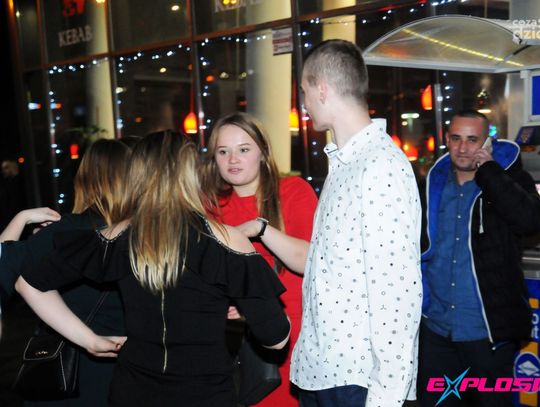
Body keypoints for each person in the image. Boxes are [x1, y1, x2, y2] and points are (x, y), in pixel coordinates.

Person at [15, 132, 291, 407]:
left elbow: (28, 284)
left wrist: (88, 340)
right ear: (192, 175)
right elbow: (276, 339)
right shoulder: (229, 241)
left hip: (132, 393)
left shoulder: (114, 237)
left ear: (137, 175)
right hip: (205, 395)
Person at [289, 39, 423, 407]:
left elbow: (397, 291)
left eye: (304, 91)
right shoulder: (345, 163)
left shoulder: (380, 166)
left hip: (357, 379)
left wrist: (386, 396)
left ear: (322, 89)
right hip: (324, 370)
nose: (303, 103)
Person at [417, 110, 540, 407]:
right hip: (437, 329)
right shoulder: (433, 184)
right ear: (447, 140)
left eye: (472, 140)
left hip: (487, 332)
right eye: (456, 138)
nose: (462, 148)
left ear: (487, 143)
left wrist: (490, 171)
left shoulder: (508, 178)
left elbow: (530, 221)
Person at [0, 139, 130, 406]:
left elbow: (6, 265)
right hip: (122, 367)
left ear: (86, 180)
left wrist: (22, 218)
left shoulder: (64, 231)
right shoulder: (145, 236)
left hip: (64, 373)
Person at [201, 112, 318, 406]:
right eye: (223, 152)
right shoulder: (209, 206)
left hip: (299, 335)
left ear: (263, 153)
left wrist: (261, 228)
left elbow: (309, 261)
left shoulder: (293, 191)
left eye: (243, 149)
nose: (233, 160)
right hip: (239, 342)